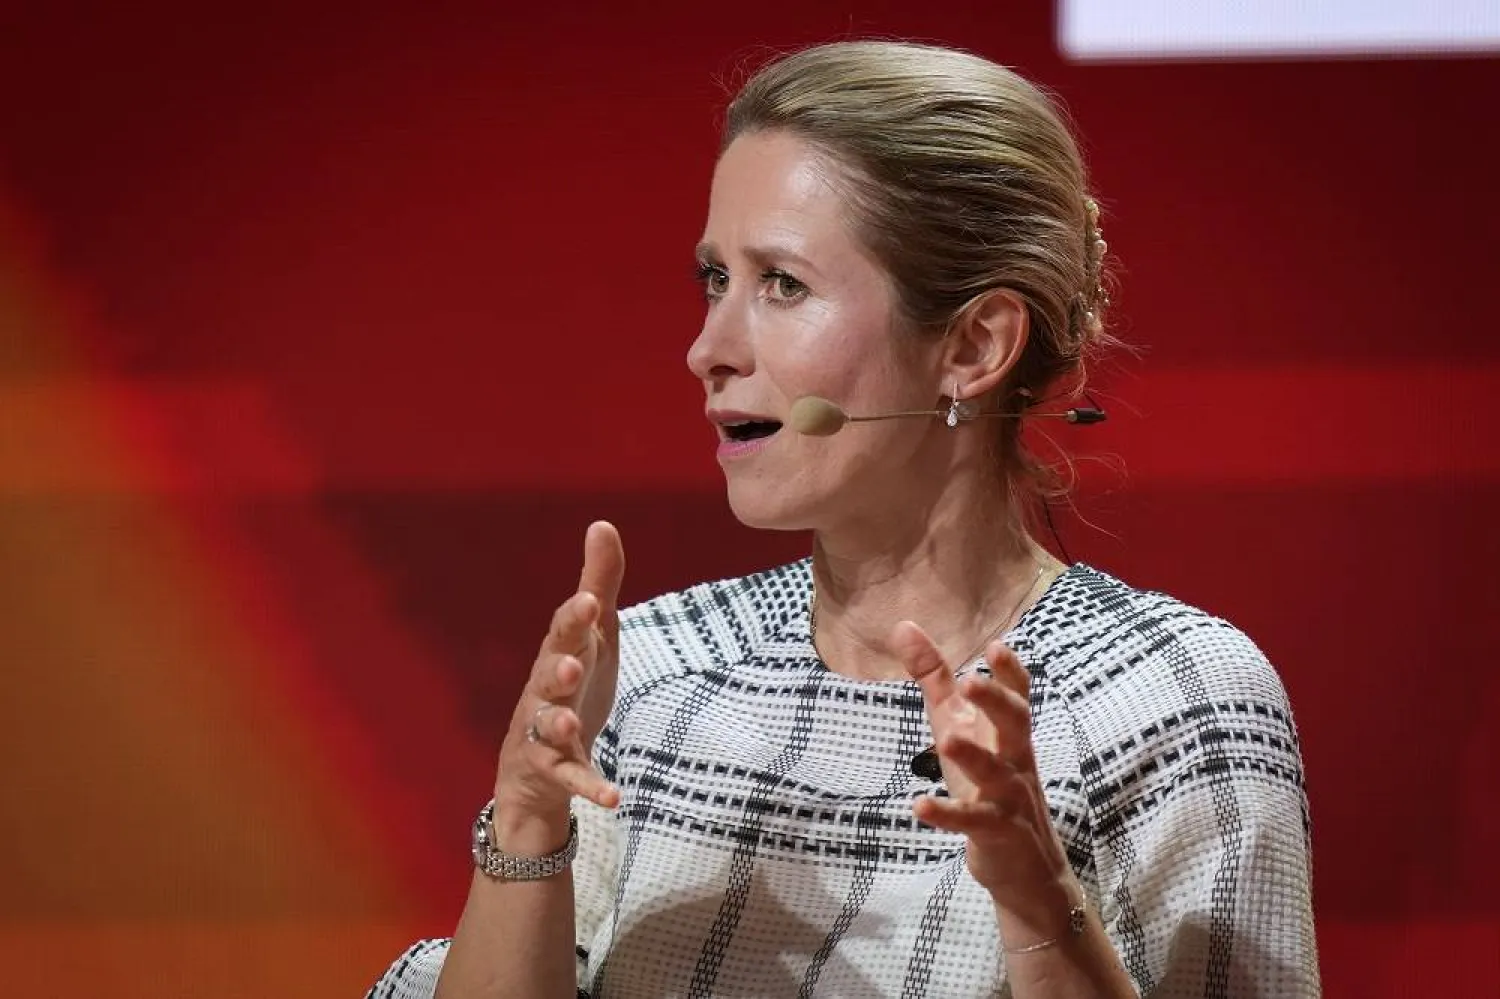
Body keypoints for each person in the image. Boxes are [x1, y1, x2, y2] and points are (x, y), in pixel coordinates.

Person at [366, 40, 1319, 998]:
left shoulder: (1171, 700)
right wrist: (527, 824)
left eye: (782, 283)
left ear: (974, 344)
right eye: (715, 280)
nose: (709, 347)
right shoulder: (650, 675)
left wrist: (1037, 905)